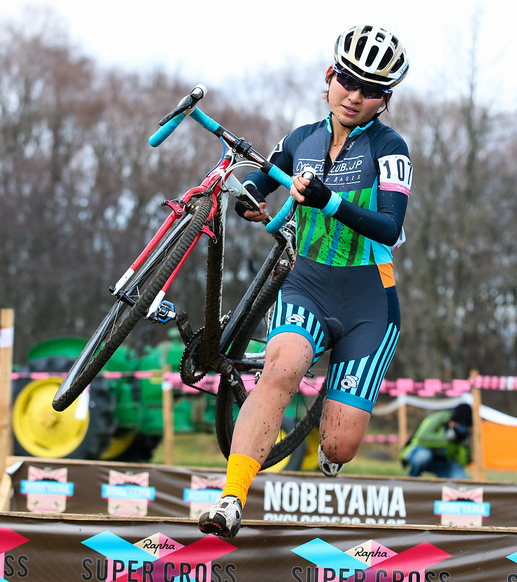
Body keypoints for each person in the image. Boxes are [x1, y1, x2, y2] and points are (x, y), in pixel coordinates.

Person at [199, 25, 412, 538]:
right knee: (281, 369)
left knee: (340, 445)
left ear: (385, 99)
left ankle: (331, 440)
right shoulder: (302, 139)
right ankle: (231, 500)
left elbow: (390, 226)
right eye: (348, 81)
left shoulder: (391, 148)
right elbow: (261, 179)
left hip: (369, 300)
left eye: (370, 90)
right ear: (330, 76)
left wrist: (329, 202)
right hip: (308, 285)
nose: (354, 96)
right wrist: (250, 199)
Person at [400, 403, 472, 479]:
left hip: (442, 461)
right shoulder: (439, 419)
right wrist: (447, 438)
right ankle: (413, 477)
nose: (461, 428)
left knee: (461, 478)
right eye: (458, 424)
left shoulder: (461, 436)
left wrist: (464, 445)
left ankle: (444, 484)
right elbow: (422, 438)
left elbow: (462, 462)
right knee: (423, 456)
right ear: (452, 421)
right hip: (421, 454)